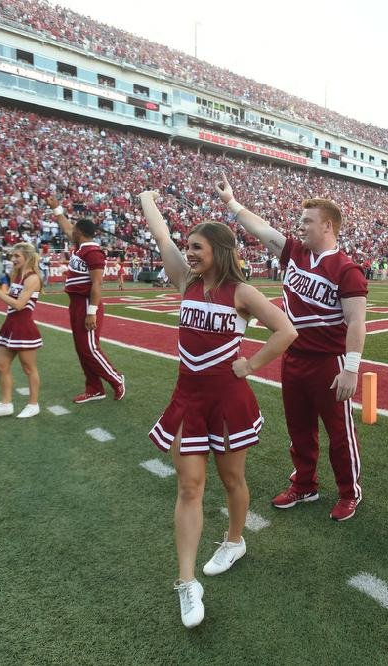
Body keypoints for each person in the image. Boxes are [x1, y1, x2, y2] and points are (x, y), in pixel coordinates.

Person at [139, 190, 297, 629]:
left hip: (228, 401)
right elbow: (160, 236)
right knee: (189, 486)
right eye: (187, 246)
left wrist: (251, 364)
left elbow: (286, 331)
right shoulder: (185, 282)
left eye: (197, 247)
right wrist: (146, 198)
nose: (188, 253)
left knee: (231, 480)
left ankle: (233, 540)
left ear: (219, 252)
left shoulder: (241, 292)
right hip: (188, 398)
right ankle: (187, 582)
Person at [215, 173, 368, 522]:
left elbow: (357, 321)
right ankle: (305, 484)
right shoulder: (295, 252)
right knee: (299, 429)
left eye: (307, 221)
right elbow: (261, 228)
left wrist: (351, 367)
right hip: (295, 357)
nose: (300, 227)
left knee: (339, 433)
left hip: (330, 361)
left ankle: (349, 492)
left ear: (328, 225)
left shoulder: (347, 269)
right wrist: (231, 202)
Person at [47, 195, 126, 403]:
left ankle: (116, 379)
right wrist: (57, 209)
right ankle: (94, 388)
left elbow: (97, 284)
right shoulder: (81, 248)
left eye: (74, 230)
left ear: (80, 232)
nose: (70, 232)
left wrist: (91, 312)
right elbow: (66, 227)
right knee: (81, 349)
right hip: (75, 303)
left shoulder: (93, 252)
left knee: (90, 348)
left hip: (86, 304)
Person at [0, 243, 43, 419]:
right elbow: (10, 300)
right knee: (1, 366)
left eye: (17, 256)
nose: (13, 259)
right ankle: (6, 404)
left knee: (29, 368)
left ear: (27, 257)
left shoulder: (33, 278)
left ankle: (33, 404)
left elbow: (19, 305)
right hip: (10, 325)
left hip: (23, 327)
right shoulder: (16, 276)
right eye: (12, 256)